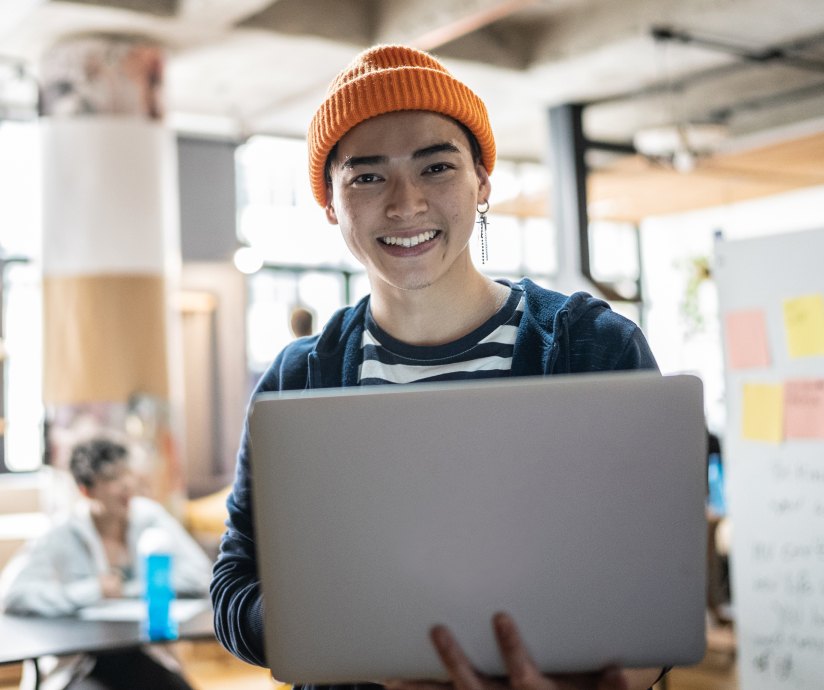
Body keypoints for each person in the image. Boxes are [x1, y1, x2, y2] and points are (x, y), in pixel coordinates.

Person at [211, 45, 666, 690]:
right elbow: (235, 589)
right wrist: (353, 634)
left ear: (483, 181)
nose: (405, 205)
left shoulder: (591, 349)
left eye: (437, 168)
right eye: (367, 177)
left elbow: (657, 587)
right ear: (331, 205)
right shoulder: (300, 380)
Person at [0, 436, 212, 690]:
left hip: (145, 653)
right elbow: (13, 595)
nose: (126, 486)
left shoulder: (149, 517)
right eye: (112, 479)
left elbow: (201, 576)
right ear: (85, 490)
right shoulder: (62, 533)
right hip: (82, 663)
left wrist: (129, 589)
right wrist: (91, 590)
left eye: (128, 474)